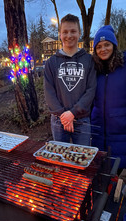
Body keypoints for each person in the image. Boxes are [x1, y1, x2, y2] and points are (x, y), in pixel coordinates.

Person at [91, 25, 126, 170]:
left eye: (107, 45)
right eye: (99, 46)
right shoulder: (94, 68)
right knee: (100, 172)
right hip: (98, 129)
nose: (103, 49)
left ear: (114, 45)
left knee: (120, 172)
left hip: (122, 130)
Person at [44, 14, 97, 145]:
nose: (69, 35)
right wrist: (64, 115)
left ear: (79, 33)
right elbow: (49, 92)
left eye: (73, 31)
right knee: (61, 160)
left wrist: (73, 113)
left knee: (82, 158)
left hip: (82, 119)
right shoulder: (51, 62)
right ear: (60, 34)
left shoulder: (89, 60)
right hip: (58, 120)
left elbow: (91, 89)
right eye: (65, 32)